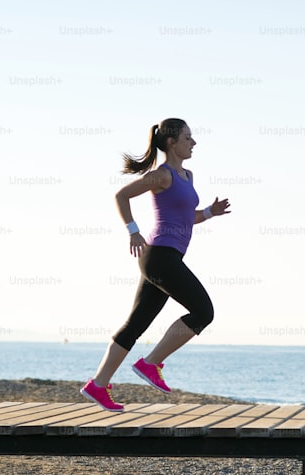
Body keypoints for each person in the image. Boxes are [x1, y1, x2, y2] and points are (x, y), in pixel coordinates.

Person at [81, 118, 231, 411]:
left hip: (167, 258)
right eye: (188, 138)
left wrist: (210, 213)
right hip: (159, 256)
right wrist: (133, 230)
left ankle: (98, 385)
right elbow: (121, 195)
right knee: (203, 311)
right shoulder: (161, 176)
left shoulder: (187, 175)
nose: (194, 143)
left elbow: (189, 217)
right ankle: (151, 363)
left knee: (135, 325)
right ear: (172, 142)